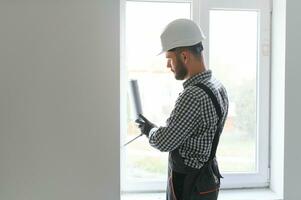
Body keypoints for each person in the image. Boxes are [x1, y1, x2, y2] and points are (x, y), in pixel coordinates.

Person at [135, 19, 229, 200]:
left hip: (189, 184)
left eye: (169, 59)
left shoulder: (193, 95)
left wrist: (149, 130)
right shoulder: (217, 86)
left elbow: (165, 142)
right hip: (206, 179)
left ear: (185, 56)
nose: (168, 66)